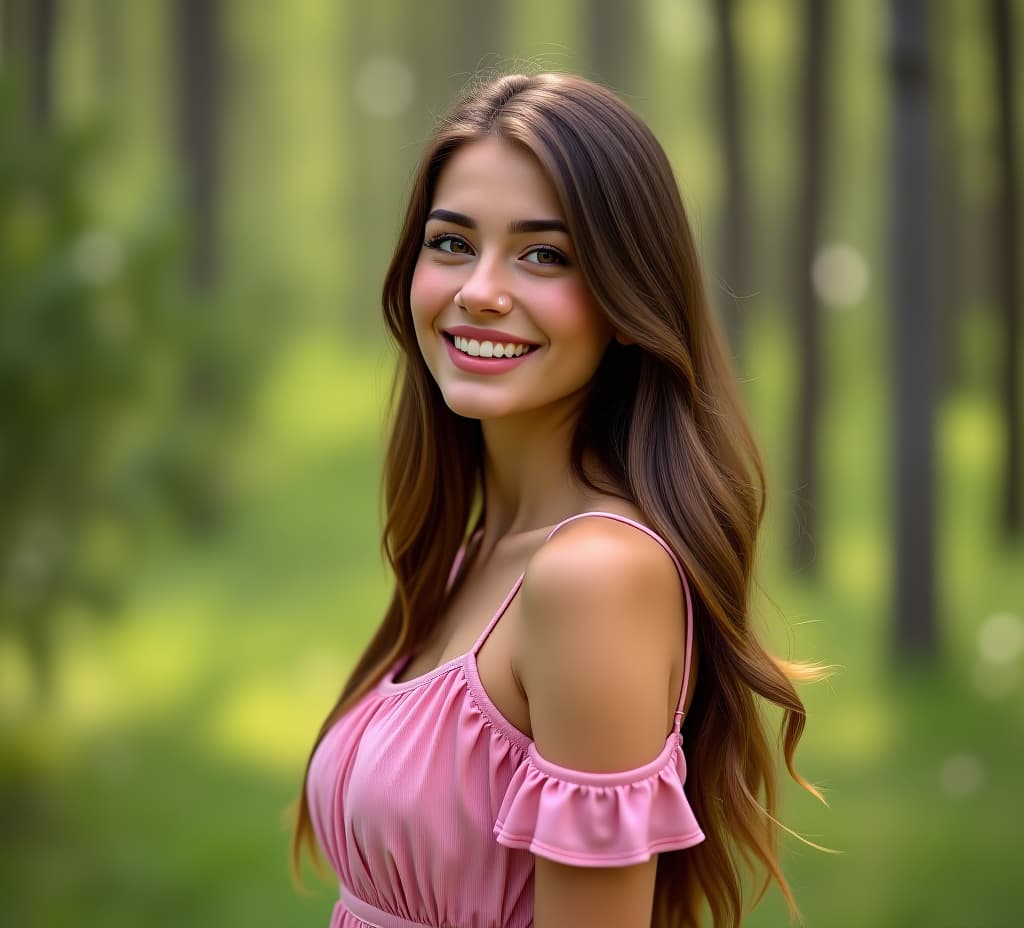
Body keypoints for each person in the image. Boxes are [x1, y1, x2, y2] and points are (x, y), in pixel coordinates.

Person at [292, 72, 822, 928]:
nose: (480, 291)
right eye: (452, 243)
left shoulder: (594, 577)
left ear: (625, 300)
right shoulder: (478, 556)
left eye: (544, 254)